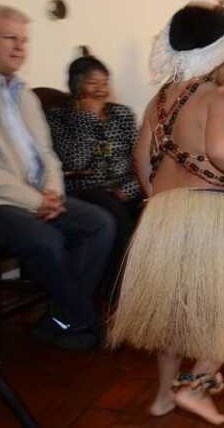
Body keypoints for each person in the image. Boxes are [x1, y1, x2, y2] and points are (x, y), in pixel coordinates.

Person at [107, 3, 224, 425]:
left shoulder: (160, 98)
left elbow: (141, 156)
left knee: (170, 314)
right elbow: (221, 151)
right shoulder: (218, 97)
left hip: (162, 215)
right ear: (220, 52)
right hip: (209, 213)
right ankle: (197, 386)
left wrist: (158, 198)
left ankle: (163, 397)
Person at [0, 4, 114, 351]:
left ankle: (60, 318)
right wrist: (34, 200)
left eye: (24, 40)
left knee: (100, 223)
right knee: (45, 239)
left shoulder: (24, 94)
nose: (19, 47)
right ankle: (84, 321)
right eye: (10, 38)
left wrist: (52, 191)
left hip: (39, 195)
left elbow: (46, 152)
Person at [46, 52, 142, 293]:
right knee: (116, 216)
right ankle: (115, 292)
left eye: (105, 82)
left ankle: (145, 288)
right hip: (85, 190)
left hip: (126, 187)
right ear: (76, 85)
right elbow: (75, 163)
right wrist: (87, 118)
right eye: (93, 82)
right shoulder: (59, 117)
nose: (101, 89)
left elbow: (141, 158)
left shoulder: (122, 114)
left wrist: (130, 188)